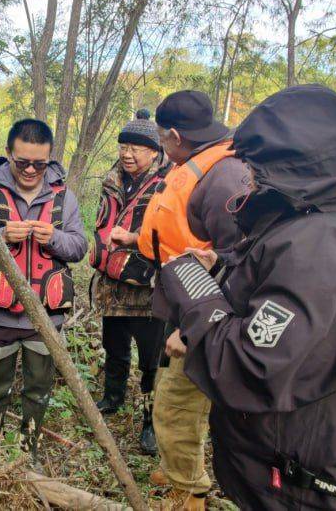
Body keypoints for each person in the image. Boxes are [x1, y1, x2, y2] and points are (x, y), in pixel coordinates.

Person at [156, 85, 336, 509]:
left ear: (287, 171)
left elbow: (247, 366)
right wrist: (221, 267)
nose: (247, 179)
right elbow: (304, 318)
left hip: (325, 490)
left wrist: (192, 290)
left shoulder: (318, 251)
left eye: (254, 169)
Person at [137, 90, 250, 510]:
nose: (163, 149)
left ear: (175, 136)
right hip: (186, 304)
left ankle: (189, 491)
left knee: (176, 405)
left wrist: (192, 331)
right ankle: (177, 468)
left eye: (162, 141)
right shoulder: (201, 165)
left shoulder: (225, 177)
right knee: (175, 398)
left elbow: (245, 267)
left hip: (207, 320)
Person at [0, 118, 88, 460]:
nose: (31, 170)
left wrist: (55, 238)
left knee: (38, 393)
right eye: (23, 162)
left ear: (49, 159)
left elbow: (79, 248)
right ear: (8, 155)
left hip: (46, 319)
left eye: (40, 163)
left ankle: (26, 452)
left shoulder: (65, 198)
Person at [89, 109, 171, 455]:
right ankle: (112, 397)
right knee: (114, 347)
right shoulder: (113, 179)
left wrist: (133, 238)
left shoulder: (168, 183)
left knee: (152, 362)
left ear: (154, 152)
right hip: (112, 285)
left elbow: (170, 235)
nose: (127, 153)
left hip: (149, 290)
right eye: (124, 145)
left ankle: (151, 422)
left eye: (137, 147)